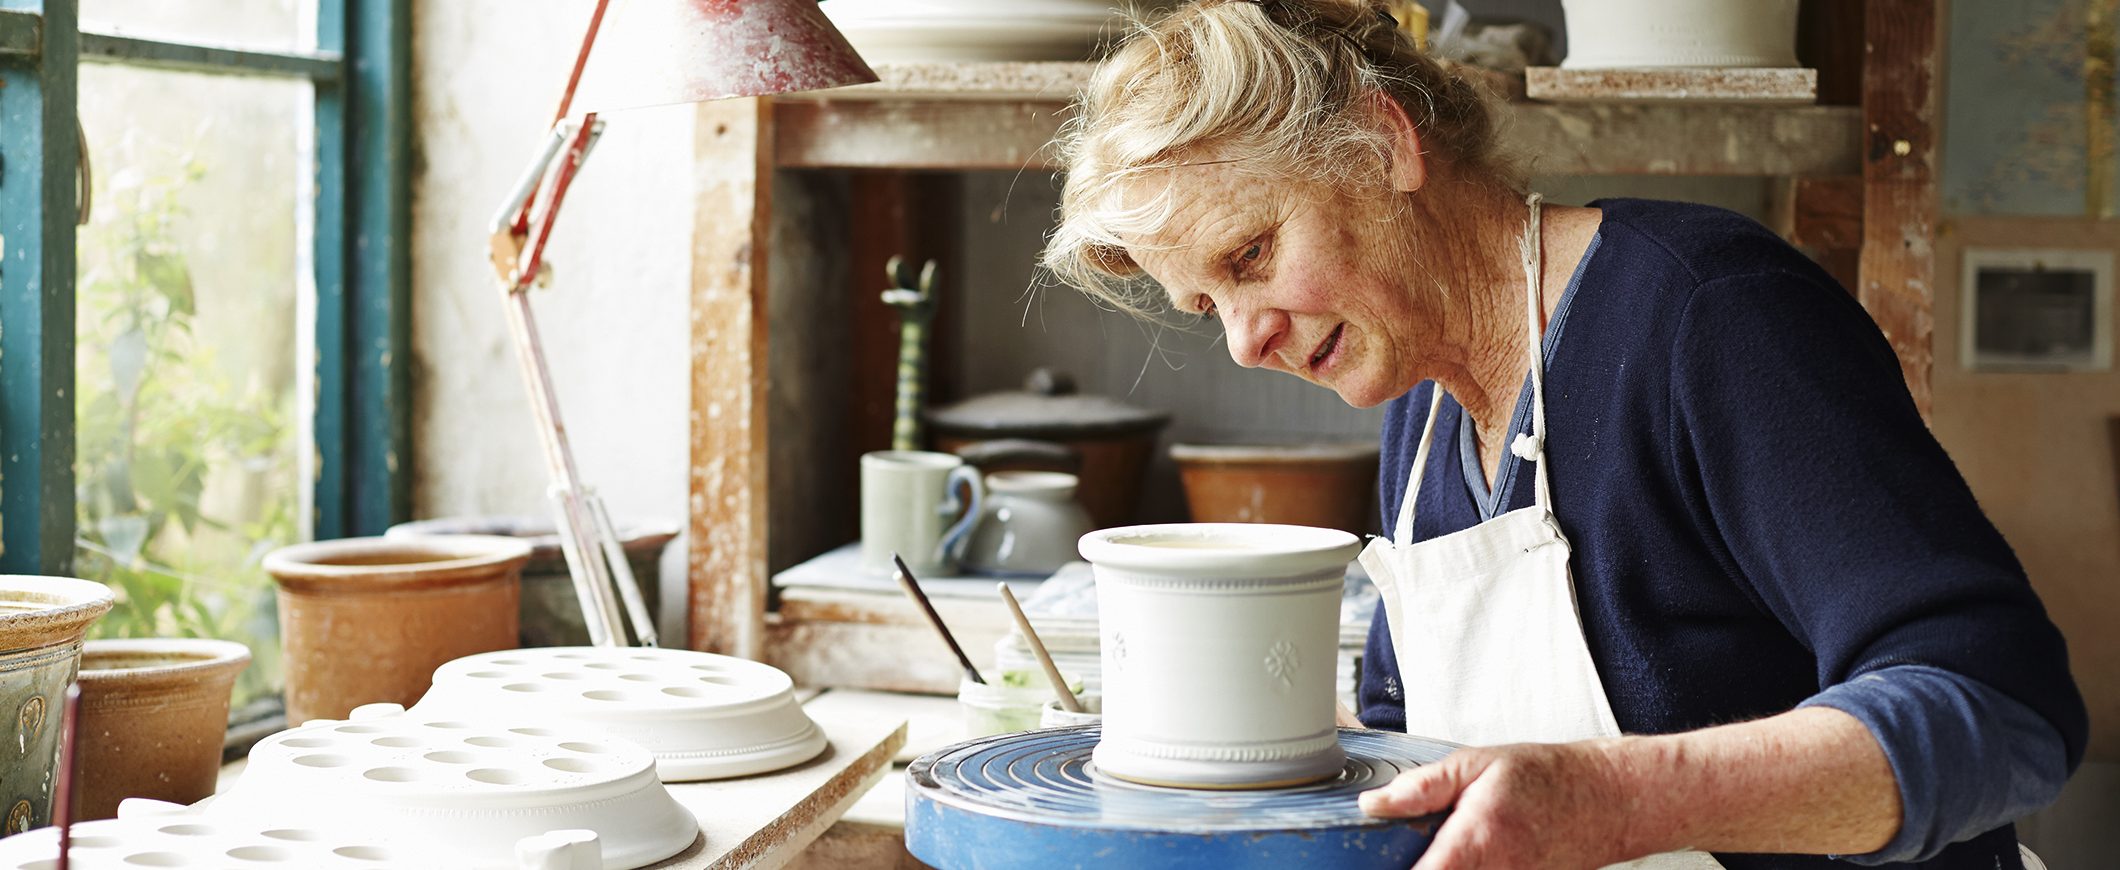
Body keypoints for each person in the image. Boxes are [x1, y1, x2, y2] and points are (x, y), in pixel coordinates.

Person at [1037, 1, 2086, 868]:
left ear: (1385, 144)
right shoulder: (1417, 403)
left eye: (1251, 255)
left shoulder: (1706, 316)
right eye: (1203, 305)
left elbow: (2003, 708)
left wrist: (1621, 799)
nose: (1242, 340)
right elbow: (1411, 752)